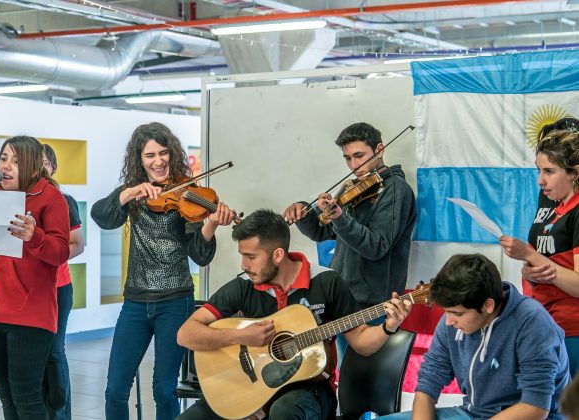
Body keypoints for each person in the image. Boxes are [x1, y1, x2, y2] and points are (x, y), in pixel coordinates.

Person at [175, 209, 411, 420]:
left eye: (251, 257)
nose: (243, 265)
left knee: (284, 412)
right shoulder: (243, 285)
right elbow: (186, 334)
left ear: (278, 255)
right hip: (253, 390)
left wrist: (387, 326)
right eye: (242, 255)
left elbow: (361, 342)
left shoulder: (325, 282)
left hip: (310, 389)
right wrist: (240, 337)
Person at [91, 122, 234, 420]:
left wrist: (210, 224)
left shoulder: (190, 193)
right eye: (149, 155)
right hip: (135, 301)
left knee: (164, 389)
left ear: (172, 153)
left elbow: (200, 254)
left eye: (163, 153)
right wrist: (128, 194)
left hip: (175, 300)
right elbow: (101, 216)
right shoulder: (132, 192)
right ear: (139, 160)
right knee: (115, 389)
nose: (158, 161)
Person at [282, 122, 416, 363]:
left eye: (359, 156)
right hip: (343, 299)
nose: (354, 166)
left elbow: (376, 247)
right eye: (348, 159)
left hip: (371, 305)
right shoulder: (352, 187)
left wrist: (340, 218)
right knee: (338, 376)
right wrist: (304, 213)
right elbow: (323, 233)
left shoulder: (397, 191)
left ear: (379, 149)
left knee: (359, 380)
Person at [376, 254, 570, 420]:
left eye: (457, 314)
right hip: (473, 413)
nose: (449, 321)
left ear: (488, 305)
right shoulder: (451, 319)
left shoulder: (533, 322)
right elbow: (428, 383)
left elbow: (536, 407)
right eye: (446, 312)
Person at [0, 135, 69, 420]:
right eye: (3, 158)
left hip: (31, 316)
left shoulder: (51, 198)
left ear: (34, 167)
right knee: (6, 398)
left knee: (27, 396)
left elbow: (60, 252)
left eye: (16, 161)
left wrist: (35, 236)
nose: (6, 166)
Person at [499, 128, 579, 377]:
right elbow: (547, 261)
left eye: (549, 172)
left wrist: (530, 256)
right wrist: (529, 269)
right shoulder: (555, 205)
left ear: (575, 173)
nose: (540, 180)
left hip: (571, 328)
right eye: (539, 170)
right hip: (543, 320)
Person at [41, 143, 85, 420]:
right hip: (28, 291)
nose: (39, 168)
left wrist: (48, 257)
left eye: (44, 163)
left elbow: (77, 244)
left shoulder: (64, 200)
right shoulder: (18, 200)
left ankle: (59, 415)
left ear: (53, 167)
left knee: (54, 352)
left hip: (57, 288)